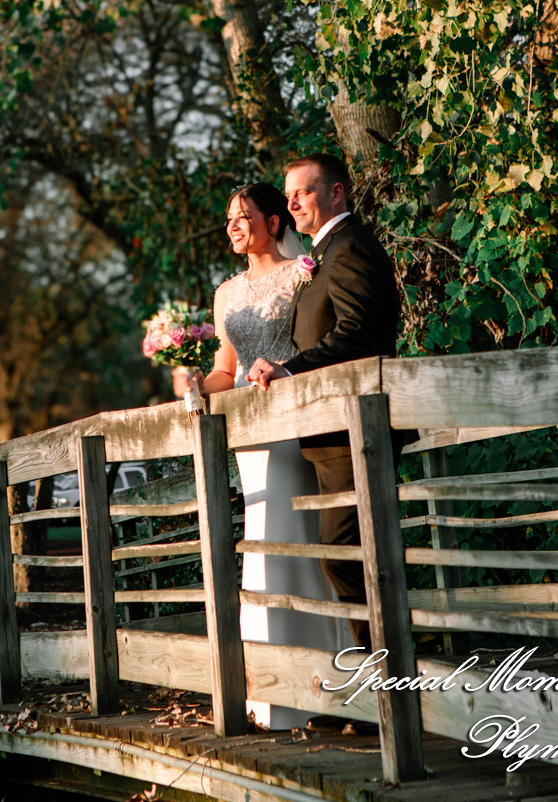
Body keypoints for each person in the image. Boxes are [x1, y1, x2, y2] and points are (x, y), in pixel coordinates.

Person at [179, 182, 348, 730]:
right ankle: (269, 694)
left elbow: (315, 341)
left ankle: (325, 685)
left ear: (274, 222)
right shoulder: (225, 292)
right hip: (249, 436)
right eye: (228, 217)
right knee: (261, 548)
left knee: (296, 546)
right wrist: (195, 387)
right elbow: (228, 368)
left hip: (295, 426)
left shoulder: (303, 268)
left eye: (244, 216)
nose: (233, 225)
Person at [246, 153, 402, 652]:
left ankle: (387, 676)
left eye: (303, 192)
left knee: (348, 556)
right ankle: (374, 672)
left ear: (336, 193)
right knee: (347, 556)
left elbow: (356, 335)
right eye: (288, 193)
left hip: (352, 425)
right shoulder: (326, 250)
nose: (292, 201)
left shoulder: (350, 247)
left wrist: (290, 369)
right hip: (328, 428)